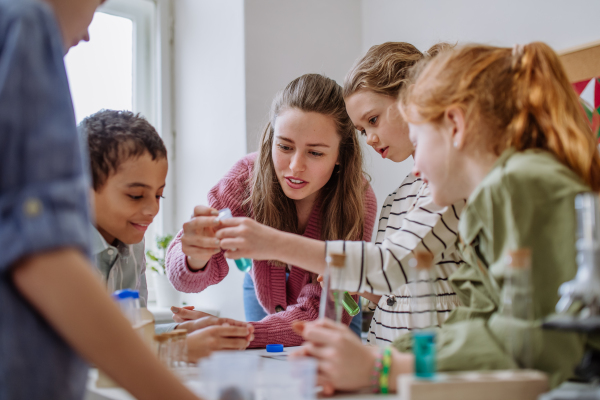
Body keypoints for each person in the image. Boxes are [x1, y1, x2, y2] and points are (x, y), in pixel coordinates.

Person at [297, 42, 600, 393]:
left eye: (417, 137)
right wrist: (384, 358)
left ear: (454, 124)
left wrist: (382, 367)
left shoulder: (519, 182)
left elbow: (538, 345)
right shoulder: (493, 198)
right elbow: (474, 320)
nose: (415, 166)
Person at [0, 0, 203, 398]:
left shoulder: (131, 245)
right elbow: (42, 259)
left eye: (158, 195)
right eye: (98, 2)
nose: (90, 28)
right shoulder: (24, 21)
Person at [214, 42, 465, 346]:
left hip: (424, 366)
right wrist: (352, 288)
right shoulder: (396, 199)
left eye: (373, 120)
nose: (370, 139)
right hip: (384, 363)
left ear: (414, 99)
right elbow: (380, 298)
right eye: (362, 130)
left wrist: (272, 244)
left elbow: (391, 265)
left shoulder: (452, 184)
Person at [165, 74, 378, 347]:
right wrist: (194, 257)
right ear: (271, 139)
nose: (294, 166)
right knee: (264, 367)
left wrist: (238, 332)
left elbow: (323, 314)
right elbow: (182, 280)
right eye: (285, 146)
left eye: (315, 153)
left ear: (340, 155)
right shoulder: (244, 180)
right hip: (261, 290)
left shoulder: (357, 199)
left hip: (333, 305)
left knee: (331, 370)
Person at [80, 109, 253, 358]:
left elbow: (129, 334)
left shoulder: (132, 244)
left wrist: (184, 330)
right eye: (136, 195)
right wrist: (178, 347)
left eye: (158, 195)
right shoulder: (59, 252)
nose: (153, 209)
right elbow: (78, 348)